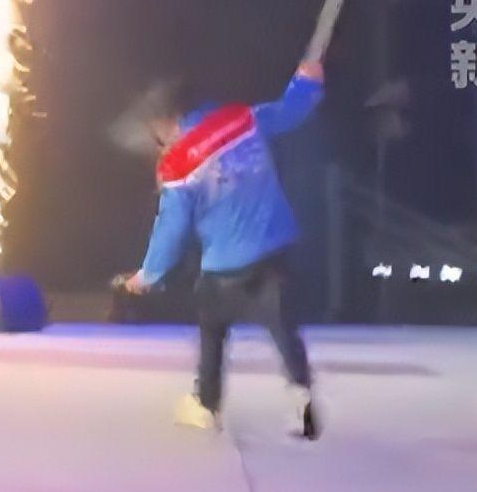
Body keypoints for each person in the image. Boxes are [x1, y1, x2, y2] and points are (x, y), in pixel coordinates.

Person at [117, 59, 324, 438]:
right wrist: (306, 83)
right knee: (282, 327)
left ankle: (206, 404)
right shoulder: (242, 119)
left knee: (212, 327)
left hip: (225, 262)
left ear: (167, 119)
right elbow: (288, 112)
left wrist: (148, 274)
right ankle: (301, 398)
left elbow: (171, 228)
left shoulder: (178, 162)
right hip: (274, 246)